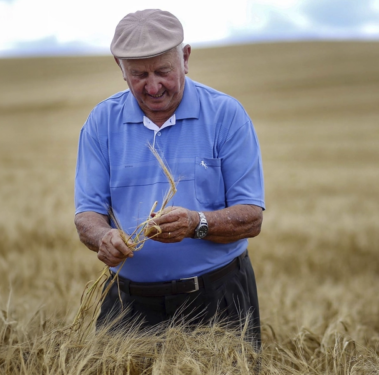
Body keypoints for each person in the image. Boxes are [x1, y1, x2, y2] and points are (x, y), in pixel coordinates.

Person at [73, 9, 265, 348]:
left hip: (217, 298)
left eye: (163, 71)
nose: (153, 86)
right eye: (138, 74)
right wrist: (104, 237)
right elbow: (87, 215)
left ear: (186, 57)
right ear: (119, 66)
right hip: (128, 304)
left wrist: (196, 222)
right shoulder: (101, 122)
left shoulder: (225, 115)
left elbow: (251, 218)